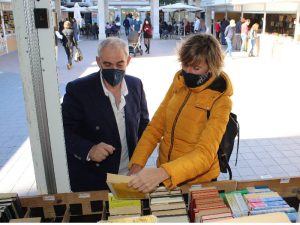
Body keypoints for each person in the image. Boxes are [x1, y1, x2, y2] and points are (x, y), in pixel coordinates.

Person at [127, 34, 233, 193]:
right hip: (165, 174)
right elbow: (156, 127)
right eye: (185, 65)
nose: (188, 72)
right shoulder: (179, 84)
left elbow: (205, 155)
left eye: (196, 68)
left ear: (211, 67)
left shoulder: (221, 101)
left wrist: (162, 173)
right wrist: (137, 165)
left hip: (197, 182)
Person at [61, 37, 150, 192]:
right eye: (107, 64)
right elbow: (63, 131)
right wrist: (89, 149)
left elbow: (144, 125)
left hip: (130, 176)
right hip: (94, 179)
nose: (114, 69)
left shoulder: (136, 85)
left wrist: (139, 161)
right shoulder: (78, 90)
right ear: (98, 61)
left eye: (120, 63)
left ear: (128, 61)